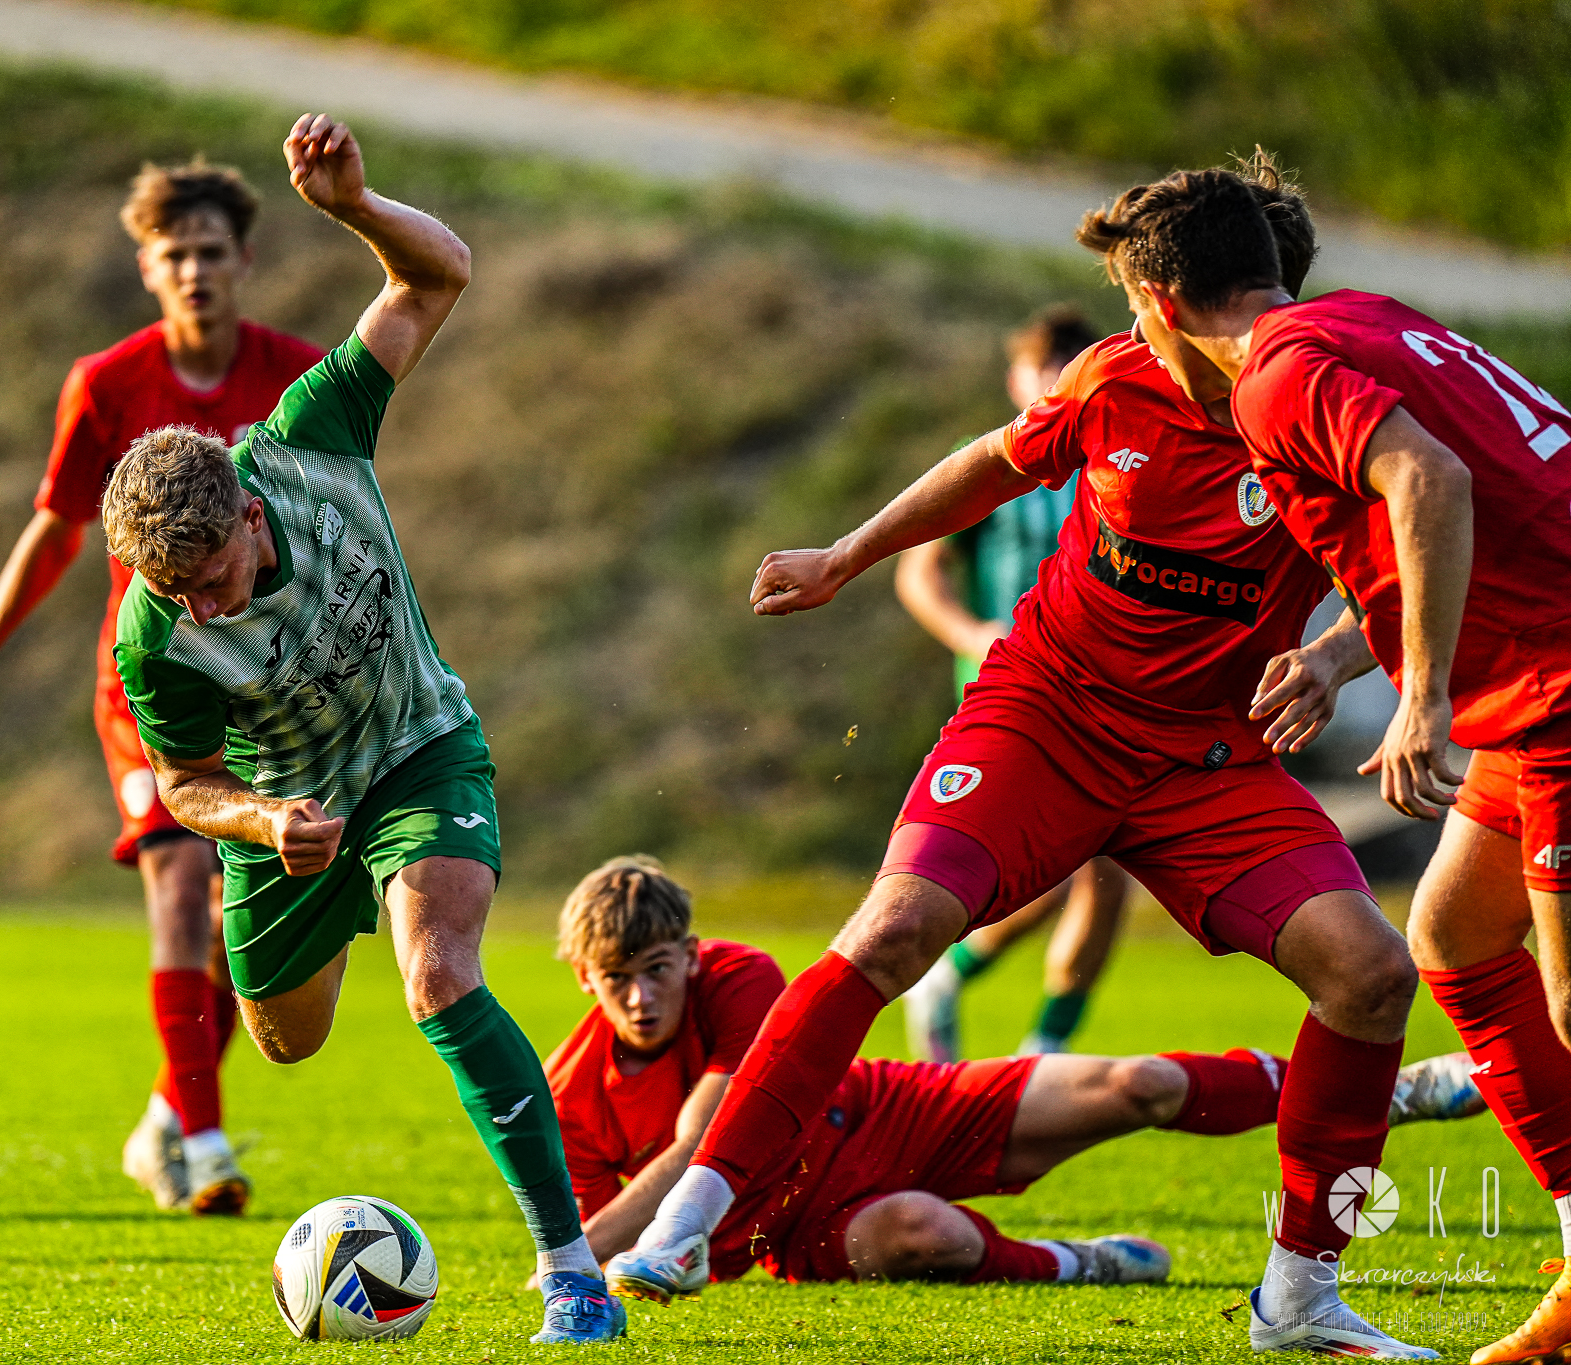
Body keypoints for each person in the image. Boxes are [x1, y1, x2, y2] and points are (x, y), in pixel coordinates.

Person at [608, 170, 1444, 1359]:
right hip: (1043, 719)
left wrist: (1332, 656)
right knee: (890, 932)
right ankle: (688, 1222)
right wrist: (845, 555)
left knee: (1367, 975)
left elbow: (1412, 551)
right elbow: (993, 461)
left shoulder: (1327, 412)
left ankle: (1301, 1300)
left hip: (1204, 758)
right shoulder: (1114, 378)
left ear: (1163, 298)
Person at [100, 113, 623, 1345]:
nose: (201, 608)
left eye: (212, 579)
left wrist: (353, 210)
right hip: (290, 814)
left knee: (438, 975)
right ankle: (224, 1050)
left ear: (247, 512)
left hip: (419, 749)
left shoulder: (310, 438)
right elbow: (181, 782)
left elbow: (438, 276)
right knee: (285, 1043)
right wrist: (259, 821)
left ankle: (570, 1272)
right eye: (175, 593)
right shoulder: (151, 635)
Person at [1084, 162, 1571, 1365]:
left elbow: (1429, 483)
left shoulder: (1273, 378)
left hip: (1558, 680)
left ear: (1157, 303)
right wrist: (1342, 654)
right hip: (1535, 677)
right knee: (1454, 939)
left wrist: (1422, 699)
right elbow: (1475, 502)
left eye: (1129, 312)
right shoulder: (1359, 321)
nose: (1133, 340)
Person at [0, 159, 323, 1216]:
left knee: (256, 923)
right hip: (146, 688)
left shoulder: (295, 378)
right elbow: (57, 529)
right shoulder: (106, 385)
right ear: (146, 268)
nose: (194, 270)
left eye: (211, 252)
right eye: (173, 254)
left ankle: (167, 1113)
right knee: (181, 887)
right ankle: (204, 1143)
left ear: (244, 260)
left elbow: (330, 523)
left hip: (266, 691)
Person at [553, 857, 1480, 1287]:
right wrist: (587, 1259)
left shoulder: (738, 974)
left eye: (658, 969)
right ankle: (1081, 1262)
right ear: (583, 979)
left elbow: (703, 1138)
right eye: (616, 979)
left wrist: (568, 1260)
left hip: (886, 1108)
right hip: (798, 1226)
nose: (640, 996)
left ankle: (1395, 1090)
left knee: (1138, 1083)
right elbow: (627, 1237)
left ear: (691, 954)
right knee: (922, 1234)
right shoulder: (570, 1092)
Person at [896, 306, 1130, 1061]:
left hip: (1109, 692)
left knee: (1109, 880)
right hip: (1010, 688)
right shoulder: (990, 461)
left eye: (1069, 364)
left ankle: (1039, 1057)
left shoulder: (1118, 457)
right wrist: (972, 634)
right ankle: (948, 979)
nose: (1054, 378)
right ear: (1016, 379)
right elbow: (919, 574)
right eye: (1041, 366)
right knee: (1053, 874)